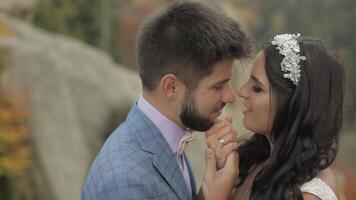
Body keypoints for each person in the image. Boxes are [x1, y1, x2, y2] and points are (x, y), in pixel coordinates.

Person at [81, 1, 251, 200]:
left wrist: (207, 192)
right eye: (218, 86)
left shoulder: (164, 141)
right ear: (171, 87)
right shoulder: (125, 181)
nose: (230, 96)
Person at [201, 33, 345, 200]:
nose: (241, 92)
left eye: (257, 87)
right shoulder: (254, 159)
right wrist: (219, 168)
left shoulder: (309, 195)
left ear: (293, 103)